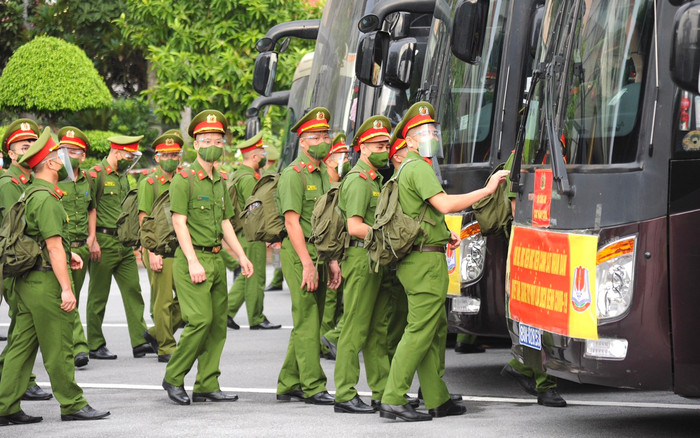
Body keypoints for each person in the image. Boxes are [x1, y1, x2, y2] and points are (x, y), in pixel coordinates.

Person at [378, 102, 509, 422]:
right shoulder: (418, 166)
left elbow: (422, 212)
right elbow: (445, 203)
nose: (430, 135)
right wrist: (488, 188)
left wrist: (441, 233)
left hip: (422, 258)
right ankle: (393, 398)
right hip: (423, 264)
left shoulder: (407, 169)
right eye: (422, 131)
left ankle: (437, 398)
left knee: (433, 330)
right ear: (407, 140)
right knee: (420, 330)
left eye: (433, 130)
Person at [0, 128, 110, 425]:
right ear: (49, 163)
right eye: (59, 156)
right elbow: (52, 245)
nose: (63, 161)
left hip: (27, 282)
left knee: (21, 347)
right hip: (44, 281)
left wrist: (66, 251)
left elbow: (41, 239)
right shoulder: (47, 198)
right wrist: (66, 288)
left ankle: (4, 405)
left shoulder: (31, 192)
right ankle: (72, 404)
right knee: (60, 346)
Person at [162, 109, 253, 405]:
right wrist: (191, 261)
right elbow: (179, 222)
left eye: (218, 138)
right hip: (194, 259)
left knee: (216, 326)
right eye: (206, 139)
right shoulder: (184, 179)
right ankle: (174, 377)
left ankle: (207, 384)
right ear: (196, 144)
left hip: (215, 259)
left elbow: (226, 223)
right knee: (200, 321)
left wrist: (240, 256)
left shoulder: (221, 181)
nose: (213, 143)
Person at [275, 107, 342, 405]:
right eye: (316, 137)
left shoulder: (324, 175)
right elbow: (291, 223)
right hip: (299, 253)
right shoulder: (293, 175)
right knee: (306, 319)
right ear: (302, 142)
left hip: (320, 252)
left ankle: (289, 382)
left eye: (325, 135)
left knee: (310, 321)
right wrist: (306, 264)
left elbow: (328, 221)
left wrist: (331, 261)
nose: (323, 141)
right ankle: (313, 386)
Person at [333, 116, 393, 414]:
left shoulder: (375, 179)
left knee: (377, 329)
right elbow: (355, 226)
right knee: (355, 327)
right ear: (364, 149)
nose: (386, 149)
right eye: (380, 145)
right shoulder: (358, 181)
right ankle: (344, 393)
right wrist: (387, 238)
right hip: (361, 257)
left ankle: (381, 391)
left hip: (375, 257)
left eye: (387, 144)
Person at [498, 151, 566, 407]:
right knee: (536, 318)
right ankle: (544, 383)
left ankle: (522, 365)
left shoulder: (561, 147)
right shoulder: (523, 155)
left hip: (558, 244)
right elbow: (517, 209)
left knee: (548, 318)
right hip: (533, 247)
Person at [86, 135, 154, 360]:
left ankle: (140, 341)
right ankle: (95, 344)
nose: (131, 160)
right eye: (128, 155)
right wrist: (92, 239)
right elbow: (89, 208)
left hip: (124, 243)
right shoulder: (96, 175)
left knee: (134, 290)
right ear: (116, 152)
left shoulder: (124, 177)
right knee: (98, 295)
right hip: (103, 242)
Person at [0, 118, 52, 401]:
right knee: (22, 326)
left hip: (24, 262)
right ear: (11, 153)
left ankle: (13, 378)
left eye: (33, 143)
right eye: (23, 145)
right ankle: (21, 379)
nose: (30, 148)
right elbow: (15, 232)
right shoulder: (10, 183)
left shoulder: (31, 180)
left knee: (22, 327)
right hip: (16, 265)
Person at [138, 130, 186, 363]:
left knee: (189, 298)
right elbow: (144, 219)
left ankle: (156, 333)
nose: (171, 158)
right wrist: (152, 252)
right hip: (159, 249)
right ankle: (166, 347)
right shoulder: (150, 183)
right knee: (164, 300)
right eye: (165, 155)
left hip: (182, 248)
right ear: (156, 157)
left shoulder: (183, 179)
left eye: (175, 154)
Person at [226, 132, 281, 330]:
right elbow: (256, 210)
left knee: (246, 274)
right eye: (261, 153)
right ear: (255, 157)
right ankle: (256, 318)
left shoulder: (238, 174)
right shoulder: (248, 179)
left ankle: (227, 312)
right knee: (256, 275)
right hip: (252, 233)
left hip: (244, 232)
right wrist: (268, 233)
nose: (264, 156)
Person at [56, 126, 97, 369]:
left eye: (74, 151)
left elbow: (92, 208)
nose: (69, 155)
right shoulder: (54, 178)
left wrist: (92, 237)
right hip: (61, 248)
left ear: (83, 156)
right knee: (67, 295)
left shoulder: (88, 179)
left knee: (74, 298)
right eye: (64, 150)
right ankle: (80, 347)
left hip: (81, 247)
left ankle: (66, 344)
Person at [318, 133, 350, 359]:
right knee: (330, 300)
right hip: (331, 249)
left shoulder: (341, 183)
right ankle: (324, 342)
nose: (346, 159)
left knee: (338, 300)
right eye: (342, 155)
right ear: (330, 160)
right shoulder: (326, 185)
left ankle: (329, 339)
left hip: (343, 247)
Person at [263, 145, 285, 292]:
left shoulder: (268, 174)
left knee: (278, 250)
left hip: (271, 218)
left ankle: (277, 279)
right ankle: (277, 278)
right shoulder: (278, 171)